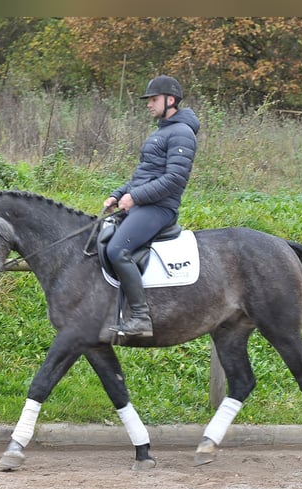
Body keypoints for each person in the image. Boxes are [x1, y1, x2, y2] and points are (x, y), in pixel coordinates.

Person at [103, 74, 200, 337]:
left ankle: (140, 317)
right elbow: (143, 175)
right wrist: (118, 195)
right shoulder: (162, 132)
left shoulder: (181, 133)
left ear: (170, 100)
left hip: (159, 208)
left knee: (117, 250)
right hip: (145, 204)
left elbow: (175, 179)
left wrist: (135, 198)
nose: (149, 104)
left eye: (153, 99)